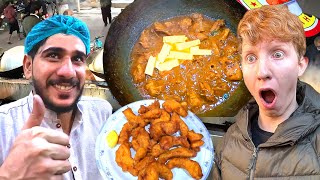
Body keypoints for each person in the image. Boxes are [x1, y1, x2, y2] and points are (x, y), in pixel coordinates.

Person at [213, 5, 320, 179]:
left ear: (300, 65)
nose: (262, 72)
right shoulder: (229, 141)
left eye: (277, 54)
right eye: (251, 58)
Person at [0, 15, 112, 179]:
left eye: (77, 58)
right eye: (53, 55)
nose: (67, 71)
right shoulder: (3, 127)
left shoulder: (102, 113)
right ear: (28, 66)